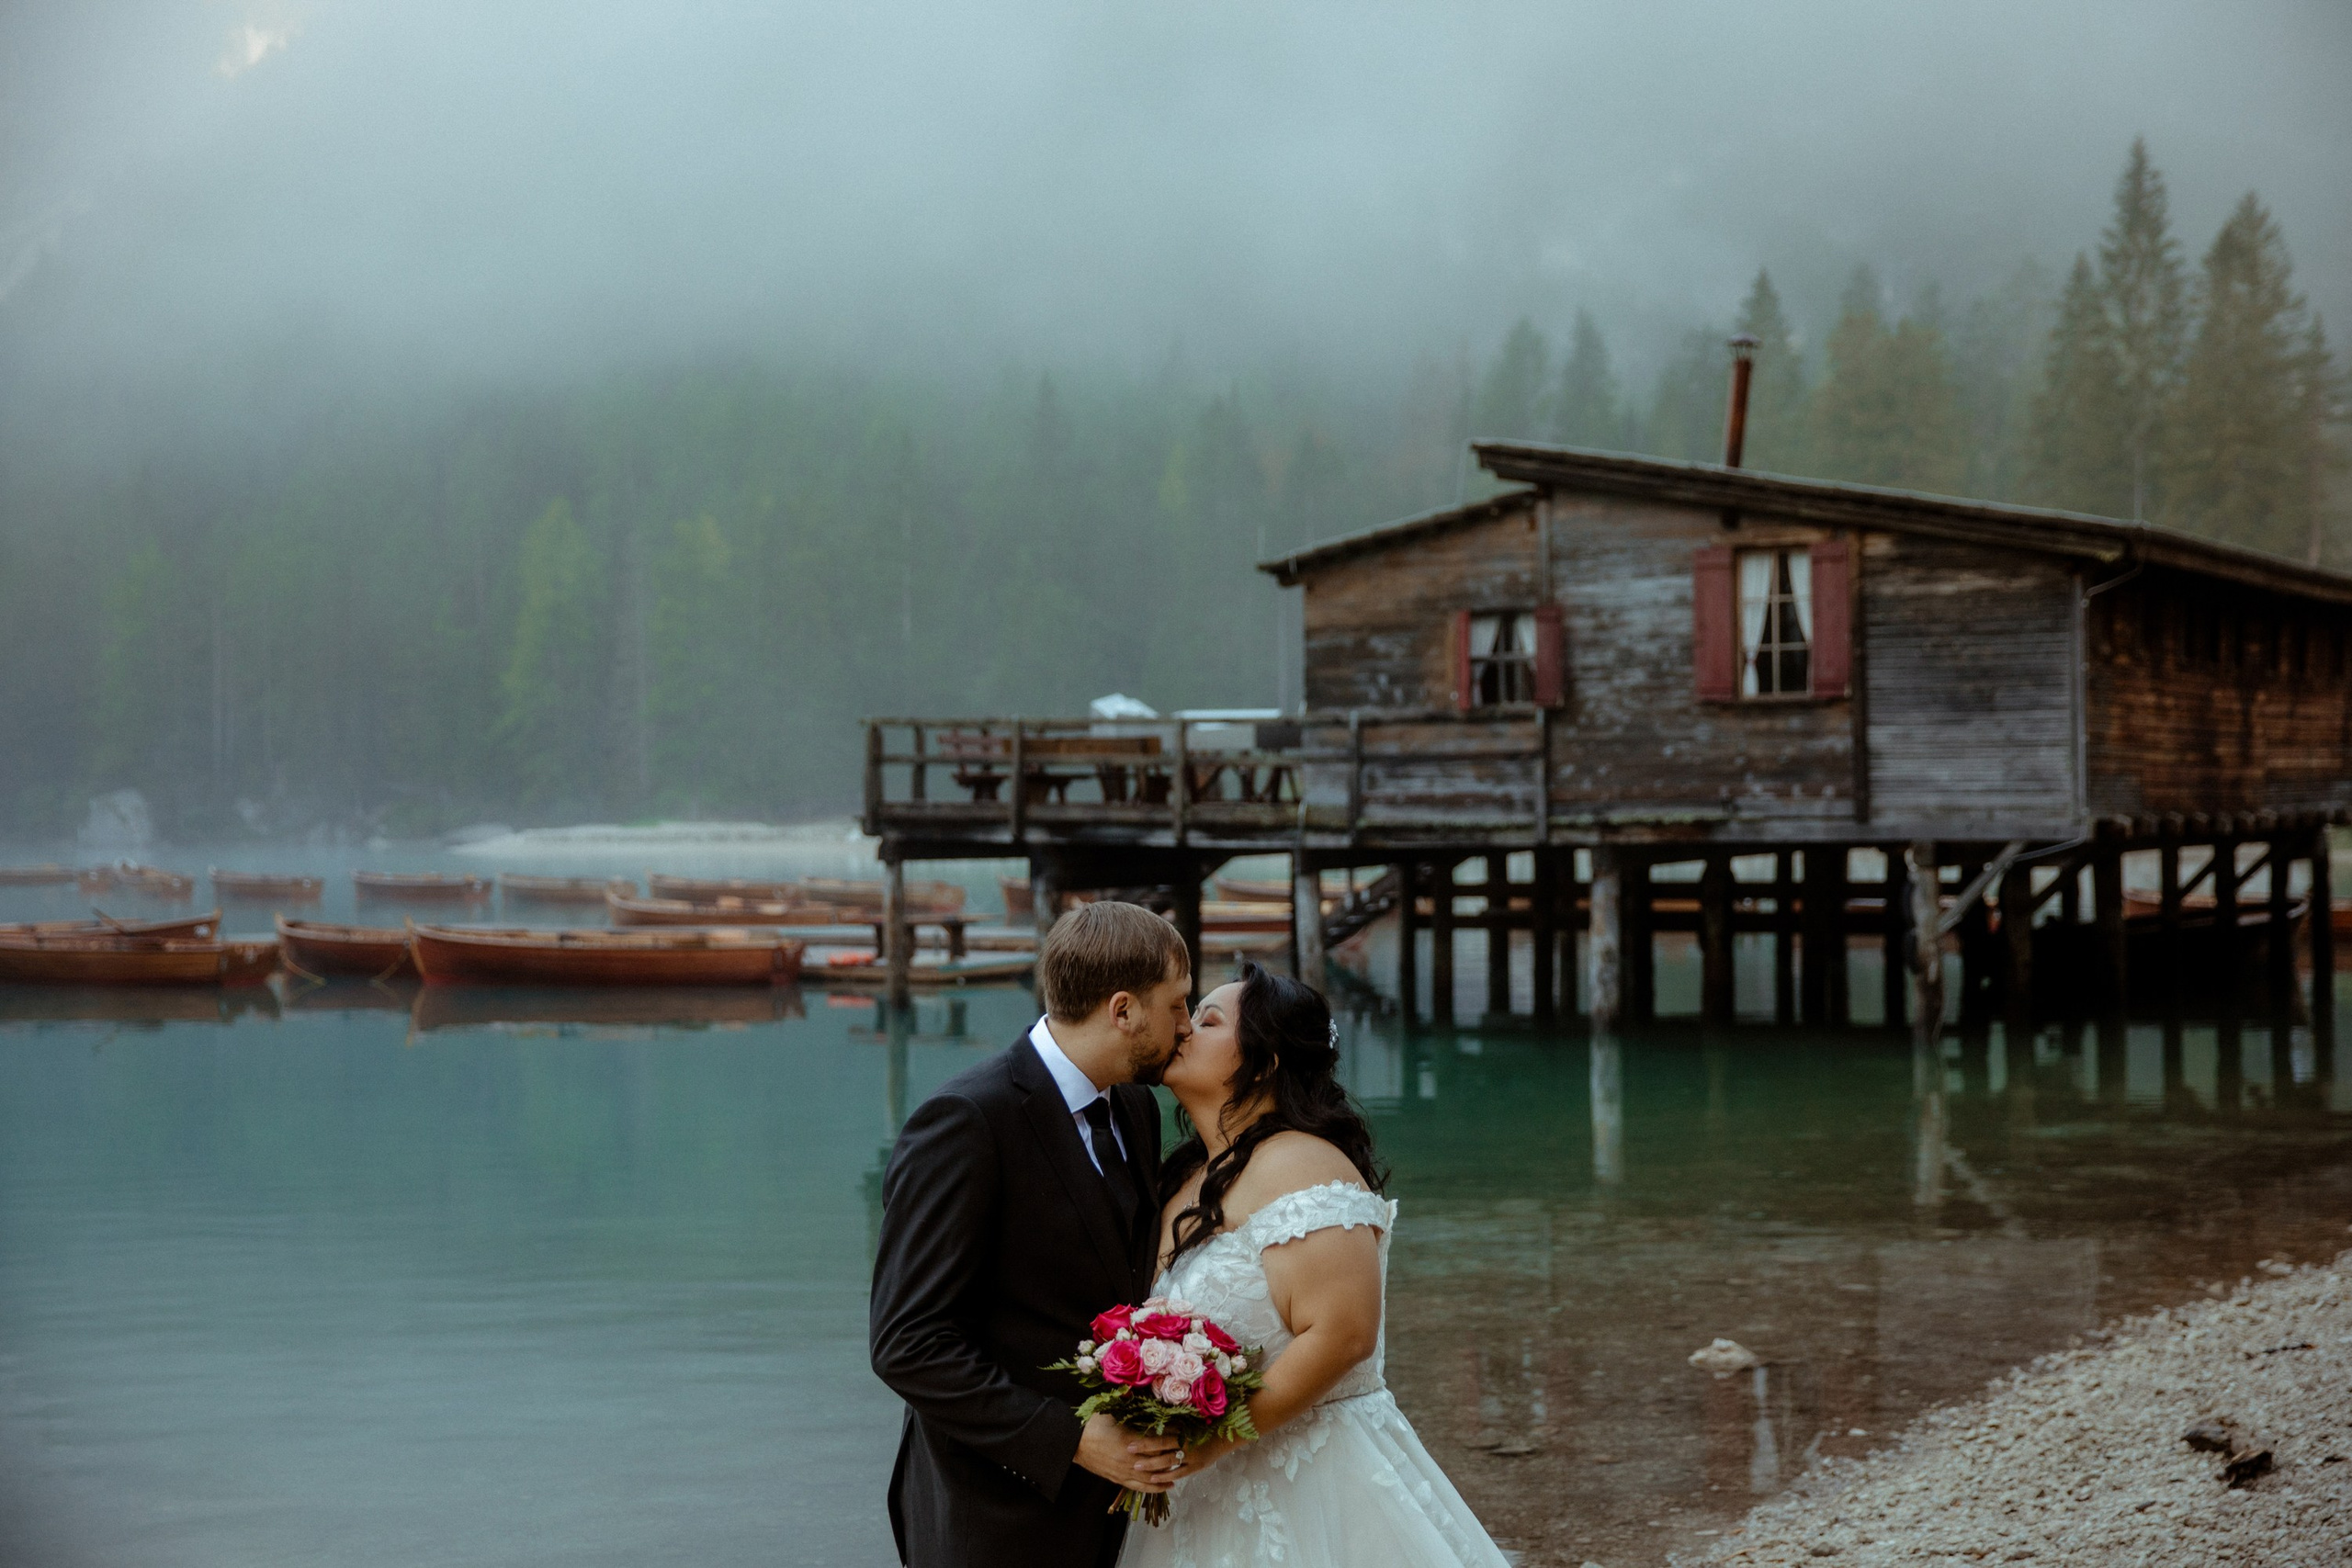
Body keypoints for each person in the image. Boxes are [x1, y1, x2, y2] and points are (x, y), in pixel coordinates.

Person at [1120, 962, 1510, 1568]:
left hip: (1315, 1481)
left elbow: (1344, 1332)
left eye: (1209, 1020)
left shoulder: (1302, 1161)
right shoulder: (1186, 1176)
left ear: (1266, 1059)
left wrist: (1216, 1439)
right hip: (1204, 1492)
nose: (1183, 1030)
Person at [870, 900, 1197, 1568]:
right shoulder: (965, 1122)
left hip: (1107, 1510)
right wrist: (1071, 1438)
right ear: (1124, 1009)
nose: (1187, 1027)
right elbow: (907, 1344)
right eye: (1178, 1005)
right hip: (990, 1509)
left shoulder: (1134, 1105)